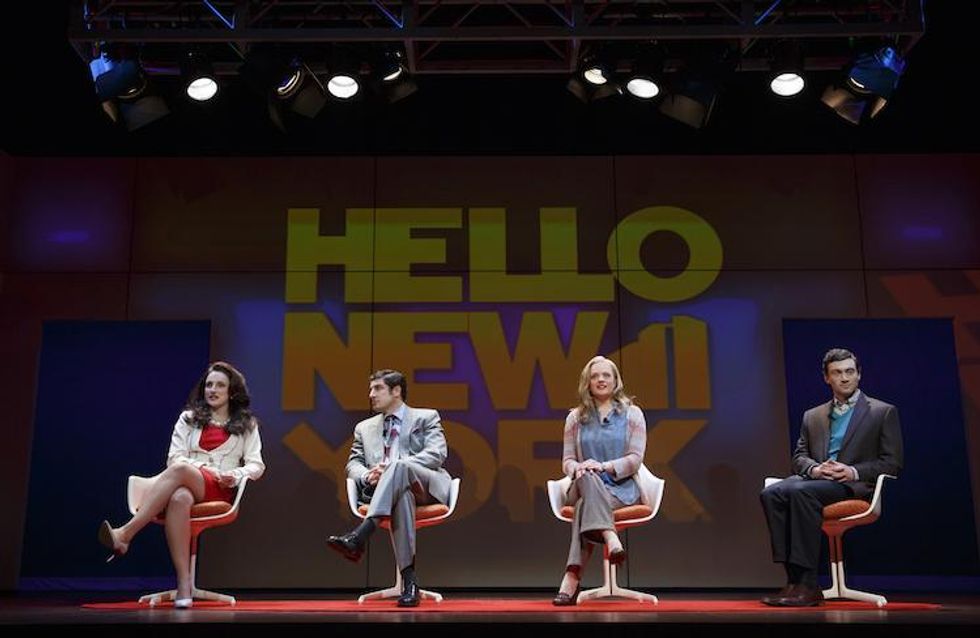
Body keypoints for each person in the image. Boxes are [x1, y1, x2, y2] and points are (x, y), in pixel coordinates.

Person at [97, 361, 265, 609]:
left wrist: (235, 474)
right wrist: (203, 469)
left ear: (231, 392)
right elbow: (174, 457)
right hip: (190, 482)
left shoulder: (247, 425)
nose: (212, 390)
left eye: (220, 385)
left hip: (220, 489)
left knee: (180, 471)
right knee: (179, 497)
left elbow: (256, 465)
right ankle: (184, 584)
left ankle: (125, 534)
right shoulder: (188, 419)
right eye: (209, 385)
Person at [759, 348, 903, 606]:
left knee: (800, 492)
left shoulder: (882, 412)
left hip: (853, 485)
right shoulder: (813, 415)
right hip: (818, 480)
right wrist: (816, 469)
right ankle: (793, 580)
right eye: (837, 373)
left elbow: (892, 463)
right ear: (827, 378)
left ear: (859, 374)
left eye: (849, 372)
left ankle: (808, 584)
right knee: (772, 493)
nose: (844, 378)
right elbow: (799, 457)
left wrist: (851, 471)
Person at [326, 369, 452, 607]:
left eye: (377, 388)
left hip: (425, 486)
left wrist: (393, 468)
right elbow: (354, 464)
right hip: (390, 493)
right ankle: (409, 582)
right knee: (402, 496)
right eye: (370, 389)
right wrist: (367, 475)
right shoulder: (364, 428)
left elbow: (436, 454)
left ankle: (361, 534)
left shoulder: (426, 417)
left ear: (396, 391)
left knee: (399, 468)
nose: (371, 395)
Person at [553, 355, 647, 606]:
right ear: (587, 382)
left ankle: (572, 577)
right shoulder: (575, 418)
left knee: (584, 507)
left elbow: (635, 459)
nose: (601, 380)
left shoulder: (633, 415)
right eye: (595, 376)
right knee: (587, 475)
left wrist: (603, 466)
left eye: (606, 375)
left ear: (616, 380)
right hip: (582, 484)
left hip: (620, 490)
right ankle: (609, 535)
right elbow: (567, 461)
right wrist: (580, 467)